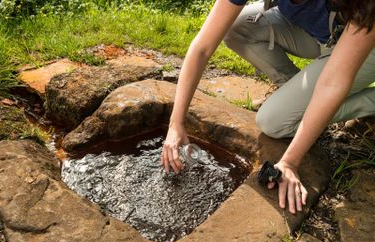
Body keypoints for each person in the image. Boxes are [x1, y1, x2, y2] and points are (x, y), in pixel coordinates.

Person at [161, 0, 375, 214]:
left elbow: (333, 83)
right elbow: (202, 47)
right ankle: (299, 100)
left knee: (273, 122)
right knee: (237, 28)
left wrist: (289, 163)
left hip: (366, 42)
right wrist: (176, 123)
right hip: (321, 33)